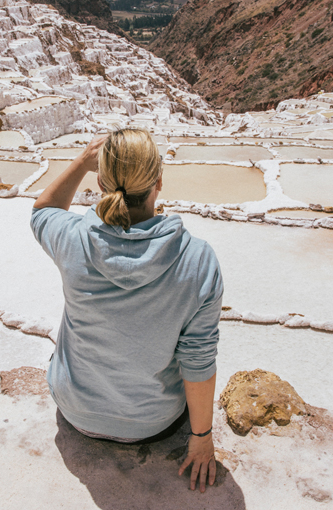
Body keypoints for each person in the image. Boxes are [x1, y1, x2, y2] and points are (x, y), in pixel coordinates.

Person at [31, 128, 223, 492]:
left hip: (76, 411)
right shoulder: (197, 260)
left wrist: (82, 162)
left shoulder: (72, 238)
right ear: (159, 181)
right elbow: (197, 362)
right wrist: (201, 439)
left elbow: (43, 210)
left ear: (101, 181)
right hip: (152, 424)